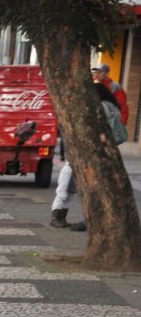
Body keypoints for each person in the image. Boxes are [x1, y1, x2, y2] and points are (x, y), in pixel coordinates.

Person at [50, 82, 122, 230]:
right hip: (105, 150)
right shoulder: (113, 107)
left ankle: (58, 215)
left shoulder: (99, 107)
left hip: (89, 149)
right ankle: (61, 216)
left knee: (67, 179)